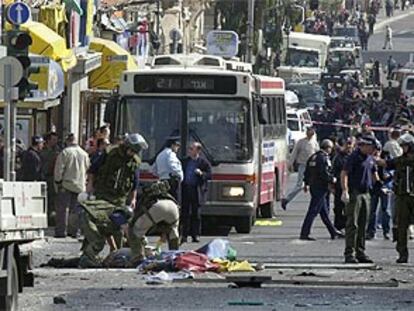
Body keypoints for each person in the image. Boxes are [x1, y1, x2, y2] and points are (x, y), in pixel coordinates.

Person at [79, 133, 146, 268]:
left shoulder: (134, 161)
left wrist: (133, 198)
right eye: (132, 150)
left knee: (118, 225)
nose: (132, 153)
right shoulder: (109, 154)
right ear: (126, 146)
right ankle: (89, 254)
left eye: (135, 152)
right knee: (99, 222)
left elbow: (135, 182)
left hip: (119, 198)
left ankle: (116, 252)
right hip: (103, 194)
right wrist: (90, 185)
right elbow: (93, 169)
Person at [341, 136, 379, 263]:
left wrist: (380, 185)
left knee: (363, 224)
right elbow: (344, 173)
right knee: (353, 224)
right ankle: (349, 253)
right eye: (371, 147)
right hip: (355, 193)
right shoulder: (354, 157)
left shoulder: (370, 158)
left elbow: (374, 174)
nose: (373, 150)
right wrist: (345, 190)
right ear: (365, 146)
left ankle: (360, 252)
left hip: (366, 193)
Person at [377, 133, 414, 263]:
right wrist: (377, 157)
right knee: (400, 226)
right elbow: (386, 163)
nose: (402, 148)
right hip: (402, 197)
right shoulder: (399, 161)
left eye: (404, 146)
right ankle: (402, 253)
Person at [128, 180, 181, 265]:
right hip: (173, 207)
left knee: (135, 231)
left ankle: (137, 258)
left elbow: (137, 214)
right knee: (173, 233)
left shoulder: (142, 195)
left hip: (156, 206)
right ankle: (175, 256)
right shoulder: (167, 194)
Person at [300, 139, 343, 241]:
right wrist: (333, 179)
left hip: (314, 186)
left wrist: (306, 183)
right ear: (328, 148)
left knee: (324, 212)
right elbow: (324, 173)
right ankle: (304, 233)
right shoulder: (323, 158)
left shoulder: (313, 157)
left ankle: (333, 231)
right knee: (313, 211)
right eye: (330, 148)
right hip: (320, 187)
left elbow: (307, 172)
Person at [54, 134, 90, 238]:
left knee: (63, 209)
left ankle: (61, 231)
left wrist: (58, 181)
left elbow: (59, 169)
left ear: (68, 141)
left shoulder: (65, 152)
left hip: (67, 184)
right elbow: (88, 168)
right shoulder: (84, 154)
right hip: (80, 185)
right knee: (76, 209)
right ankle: (74, 231)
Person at [180, 142, 212, 243]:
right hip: (186, 189)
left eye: (191, 149)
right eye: (189, 148)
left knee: (196, 214)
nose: (189, 151)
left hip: (196, 190)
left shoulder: (203, 162)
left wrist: (201, 173)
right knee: (185, 213)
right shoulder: (184, 161)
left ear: (198, 151)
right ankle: (184, 235)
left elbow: (210, 175)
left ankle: (195, 235)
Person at [282, 127, 319, 210]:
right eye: (309, 131)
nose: (310, 133)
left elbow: (318, 154)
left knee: (314, 186)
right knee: (299, 185)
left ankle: (316, 205)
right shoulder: (301, 142)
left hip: (312, 167)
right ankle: (286, 200)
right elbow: (294, 153)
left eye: (312, 131)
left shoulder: (314, 143)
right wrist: (290, 164)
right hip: (303, 165)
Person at [332, 137, 355, 231]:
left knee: (349, 208)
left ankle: (347, 226)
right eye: (347, 144)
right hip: (339, 186)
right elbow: (333, 172)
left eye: (350, 144)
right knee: (338, 207)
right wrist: (332, 186)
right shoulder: (338, 157)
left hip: (351, 186)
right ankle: (338, 227)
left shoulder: (354, 156)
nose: (349, 146)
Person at [40, 132, 61, 225]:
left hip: (53, 178)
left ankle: (52, 218)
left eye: (56, 140)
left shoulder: (58, 150)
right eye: (53, 140)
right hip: (45, 177)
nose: (55, 142)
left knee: (53, 200)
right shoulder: (42, 151)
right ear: (48, 140)